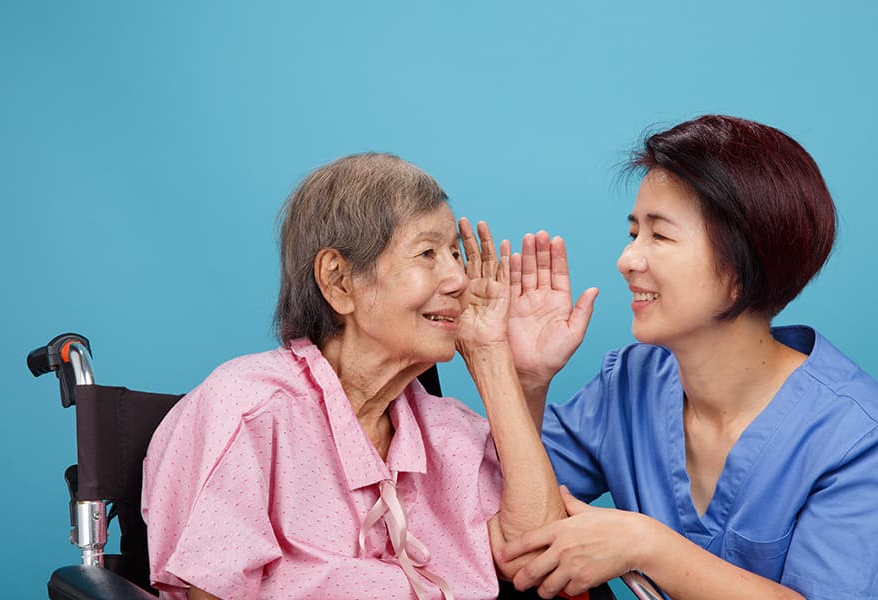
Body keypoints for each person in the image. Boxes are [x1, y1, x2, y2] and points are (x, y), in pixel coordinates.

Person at [496, 115, 878, 599]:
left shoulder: (858, 437)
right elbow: (507, 514)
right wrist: (527, 381)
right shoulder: (630, 383)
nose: (627, 259)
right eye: (634, 234)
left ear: (741, 266)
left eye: (660, 236)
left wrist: (645, 545)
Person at [140, 153, 564, 600]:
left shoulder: (448, 431)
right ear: (339, 280)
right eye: (427, 253)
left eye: (454, 253)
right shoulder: (249, 411)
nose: (459, 278)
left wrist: (491, 355)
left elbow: (535, 555)